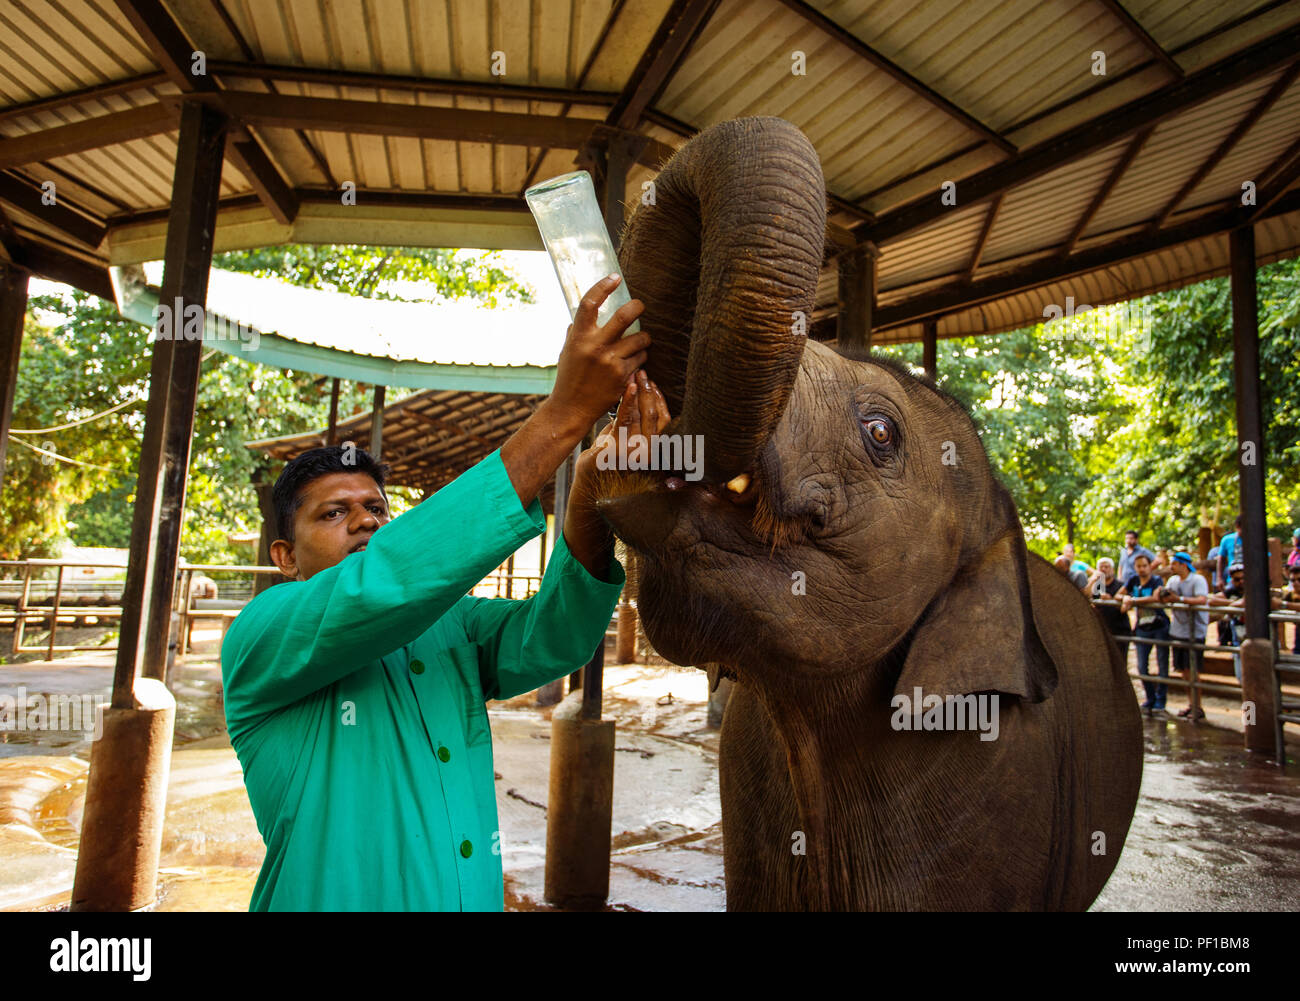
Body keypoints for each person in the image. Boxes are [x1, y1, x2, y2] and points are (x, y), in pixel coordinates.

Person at [221, 275, 658, 911]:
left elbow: (552, 637)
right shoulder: (262, 635)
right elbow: (386, 585)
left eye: (376, 508)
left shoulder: (449, 626)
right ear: (284, 557)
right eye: (333, 513)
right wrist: (564, 415)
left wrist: (590, 499)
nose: (366, 520)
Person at [1119, 552, 1169, 716]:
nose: (1141, 569)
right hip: (1141, 627)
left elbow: (1155, 598)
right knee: (1142, 666)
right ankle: (1150, 698)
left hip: (1159, 626)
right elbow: (1119, 594)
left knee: (1162, 664)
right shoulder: (1132, 580)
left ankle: (1161, 701)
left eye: (1144, 566)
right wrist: (1126, 597)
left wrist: (1132, 601)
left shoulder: (1156, 580)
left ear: (1150, 566)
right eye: (1138, 566)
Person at [1161, 552, 1209, 720]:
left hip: (1195, 630)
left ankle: (1198, 706)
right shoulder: (1173, 581)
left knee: (1193, 670)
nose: (1171, 567)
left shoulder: (1197, 580)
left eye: (1173, 563)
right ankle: (1191, 704)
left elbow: (1202, 600)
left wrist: (1179, 599)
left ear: (1183, 565)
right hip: (1179, 630)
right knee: (1183, 670)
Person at [1208, 561, 1246, 683]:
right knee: (1241, 675)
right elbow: (1212, 600)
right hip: (1238, 636)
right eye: (1237, 579)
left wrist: (1234, 605)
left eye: (1243, 578)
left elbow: (1245, 602)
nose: (1241, 582)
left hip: (1256, 634)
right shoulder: (1231, 591)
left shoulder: (1255, 589)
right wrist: (1233, 604)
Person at [1090, 557, 1131, 662]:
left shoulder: (1121, 586)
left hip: (1120, 630)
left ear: (1112, 569)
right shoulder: (1096, 586)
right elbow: (1086, 599)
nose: (1104, 569)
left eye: (1106, 567)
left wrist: (1111, 601)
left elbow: (1126, 607)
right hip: (1102, 630)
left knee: (1121, 661)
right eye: (1101, 567)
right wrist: (1093, 580)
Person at [1216, 516, 1243, 590]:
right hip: (1233, 580)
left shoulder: (1257, 539)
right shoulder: (1227, 540)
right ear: (1237, 526)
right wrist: (1219, 578)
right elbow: (1221, 559)